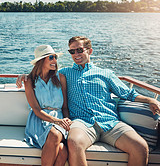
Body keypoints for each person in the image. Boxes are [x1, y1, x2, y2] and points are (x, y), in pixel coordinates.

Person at [59, 36, 160, 166]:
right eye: (72, 51)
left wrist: (150, 100)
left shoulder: (106, 73)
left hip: (110, 122)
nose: (76, 54)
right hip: (82, 122)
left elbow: (128, 94)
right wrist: (25, 77)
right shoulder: (64, 73)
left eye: (79, 50)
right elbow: (42, 75)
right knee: (74, 142)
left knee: (140, 147)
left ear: (89, 51)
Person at [19, 45, 72, 166]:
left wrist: (66, 120)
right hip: (39, 119)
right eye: (51, 57)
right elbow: (36, 110)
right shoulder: (29, 81)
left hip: (59, 117)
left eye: (55, 57)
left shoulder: (61, 78)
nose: (55, 61)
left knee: (61, 147)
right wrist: (57, 121)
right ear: (41, 61)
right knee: (62, 149)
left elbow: (64, 106)